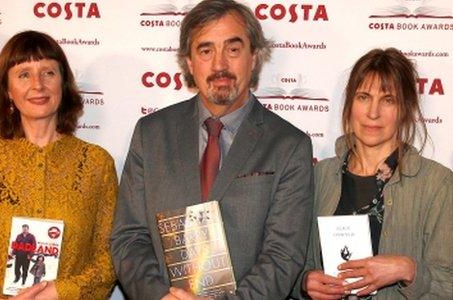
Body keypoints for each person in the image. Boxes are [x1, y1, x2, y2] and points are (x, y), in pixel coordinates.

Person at [109, 0, 314, 299]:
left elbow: (283, 256)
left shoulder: (288, 145)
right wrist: (160, 296)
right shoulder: (150, 134)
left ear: (253, 57)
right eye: (206, 51)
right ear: (190, 63)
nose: (220, 65)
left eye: (233, 49)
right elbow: (128, 238)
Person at [0, 30, 118, 300]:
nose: (38, 85)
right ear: (7, 90)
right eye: (23, 74)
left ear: (63, 84)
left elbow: (111, 256)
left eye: (48, 73)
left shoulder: (96, 164)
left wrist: (61, 292)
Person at [298, 48, 453, 299]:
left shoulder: (438, 184)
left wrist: (408, 270)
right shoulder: (318, 176)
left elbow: (452, 288)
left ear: (406, 109)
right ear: (350, 104)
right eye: (364, 97)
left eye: (388, 100)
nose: (373, 112)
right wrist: (304, 282)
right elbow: (291, 264)